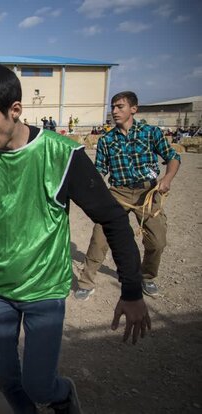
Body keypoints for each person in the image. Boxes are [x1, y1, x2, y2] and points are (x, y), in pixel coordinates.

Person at [0, 63, 151, 414]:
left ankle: (64, 396)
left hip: (44, 290)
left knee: (39, 384)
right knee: (7, 382)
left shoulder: (61, 155)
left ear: (15, 110)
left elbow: (113, 219)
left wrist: (132, 290)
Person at [74, 91, 181, 300]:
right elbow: (100, 171)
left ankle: (147, 277)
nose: (114, 111)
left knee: (157, 241)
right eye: (112, 107)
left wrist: (166, 180)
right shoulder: (107, 140)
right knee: (100, 237)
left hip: (148, 192)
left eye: (120, 106)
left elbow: (173, 157)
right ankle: (86, 282)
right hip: (118, 192)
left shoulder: (151, 133)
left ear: (133, 109)